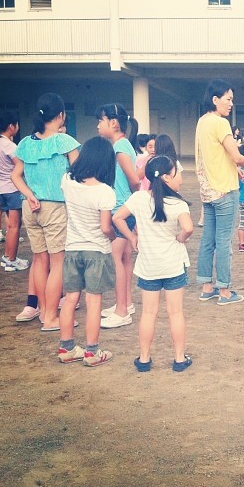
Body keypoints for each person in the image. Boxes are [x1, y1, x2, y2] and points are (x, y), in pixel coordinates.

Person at [113, 155, 194, 372]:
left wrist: (132, 238)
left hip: (148, 266)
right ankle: (179, 359)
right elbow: (188, 228)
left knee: (148, 313)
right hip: (173, 265)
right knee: (175, 312)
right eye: (177, 173)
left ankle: (144, 359)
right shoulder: (177, 203)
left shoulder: (139, 199)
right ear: (167, 177)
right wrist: (180, 239)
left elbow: (117, 218)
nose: (181, 178)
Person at [11, 93, 80, 331]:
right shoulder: (65, 142)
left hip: (30, 207)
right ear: (61, 115)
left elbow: (15, 176)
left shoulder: (25, 143)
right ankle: (51, 317)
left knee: (39, 260)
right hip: (55, 207)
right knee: (58, 262)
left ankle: (42, 312)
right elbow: (79, 174)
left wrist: (29, 195)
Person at [57, 137, 117, 367]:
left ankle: (66, 348)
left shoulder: (67, 181)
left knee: (70, 298)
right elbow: (105, 228)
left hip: (72, 249)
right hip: (96, 252)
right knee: (93, 301)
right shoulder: (105, 192)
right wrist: (114, 236)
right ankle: (92, 352)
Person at [195, 80, 244, 306]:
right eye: (228, 99)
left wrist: (236, 167)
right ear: (215, 100)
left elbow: (216, 156)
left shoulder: (202, 122)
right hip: (225, 191)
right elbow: (236, 154)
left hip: (208, 190)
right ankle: (225, 291)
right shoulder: (221, 123)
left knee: (208, 241)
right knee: (223, 242)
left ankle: (206, 287)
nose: (231, 103)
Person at [96, 103, 140, 329]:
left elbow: (134, 180)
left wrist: (134, 205)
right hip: (124, 210)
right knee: (124, 259)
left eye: (100, 121)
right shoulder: (122, 145)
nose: (98, 125)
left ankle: (122, 311)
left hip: (120, 212)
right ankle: (126, 304)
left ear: (113, 123)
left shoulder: (120, 146)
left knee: (116, 261)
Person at [0, 111, 29, 272]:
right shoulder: (9, 145)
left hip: (1, 189)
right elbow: (21, 164)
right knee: (14, 227)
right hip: (13, 190)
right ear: (11, 126)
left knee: (10, 226)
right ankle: (12, 260)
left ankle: (7, 257)